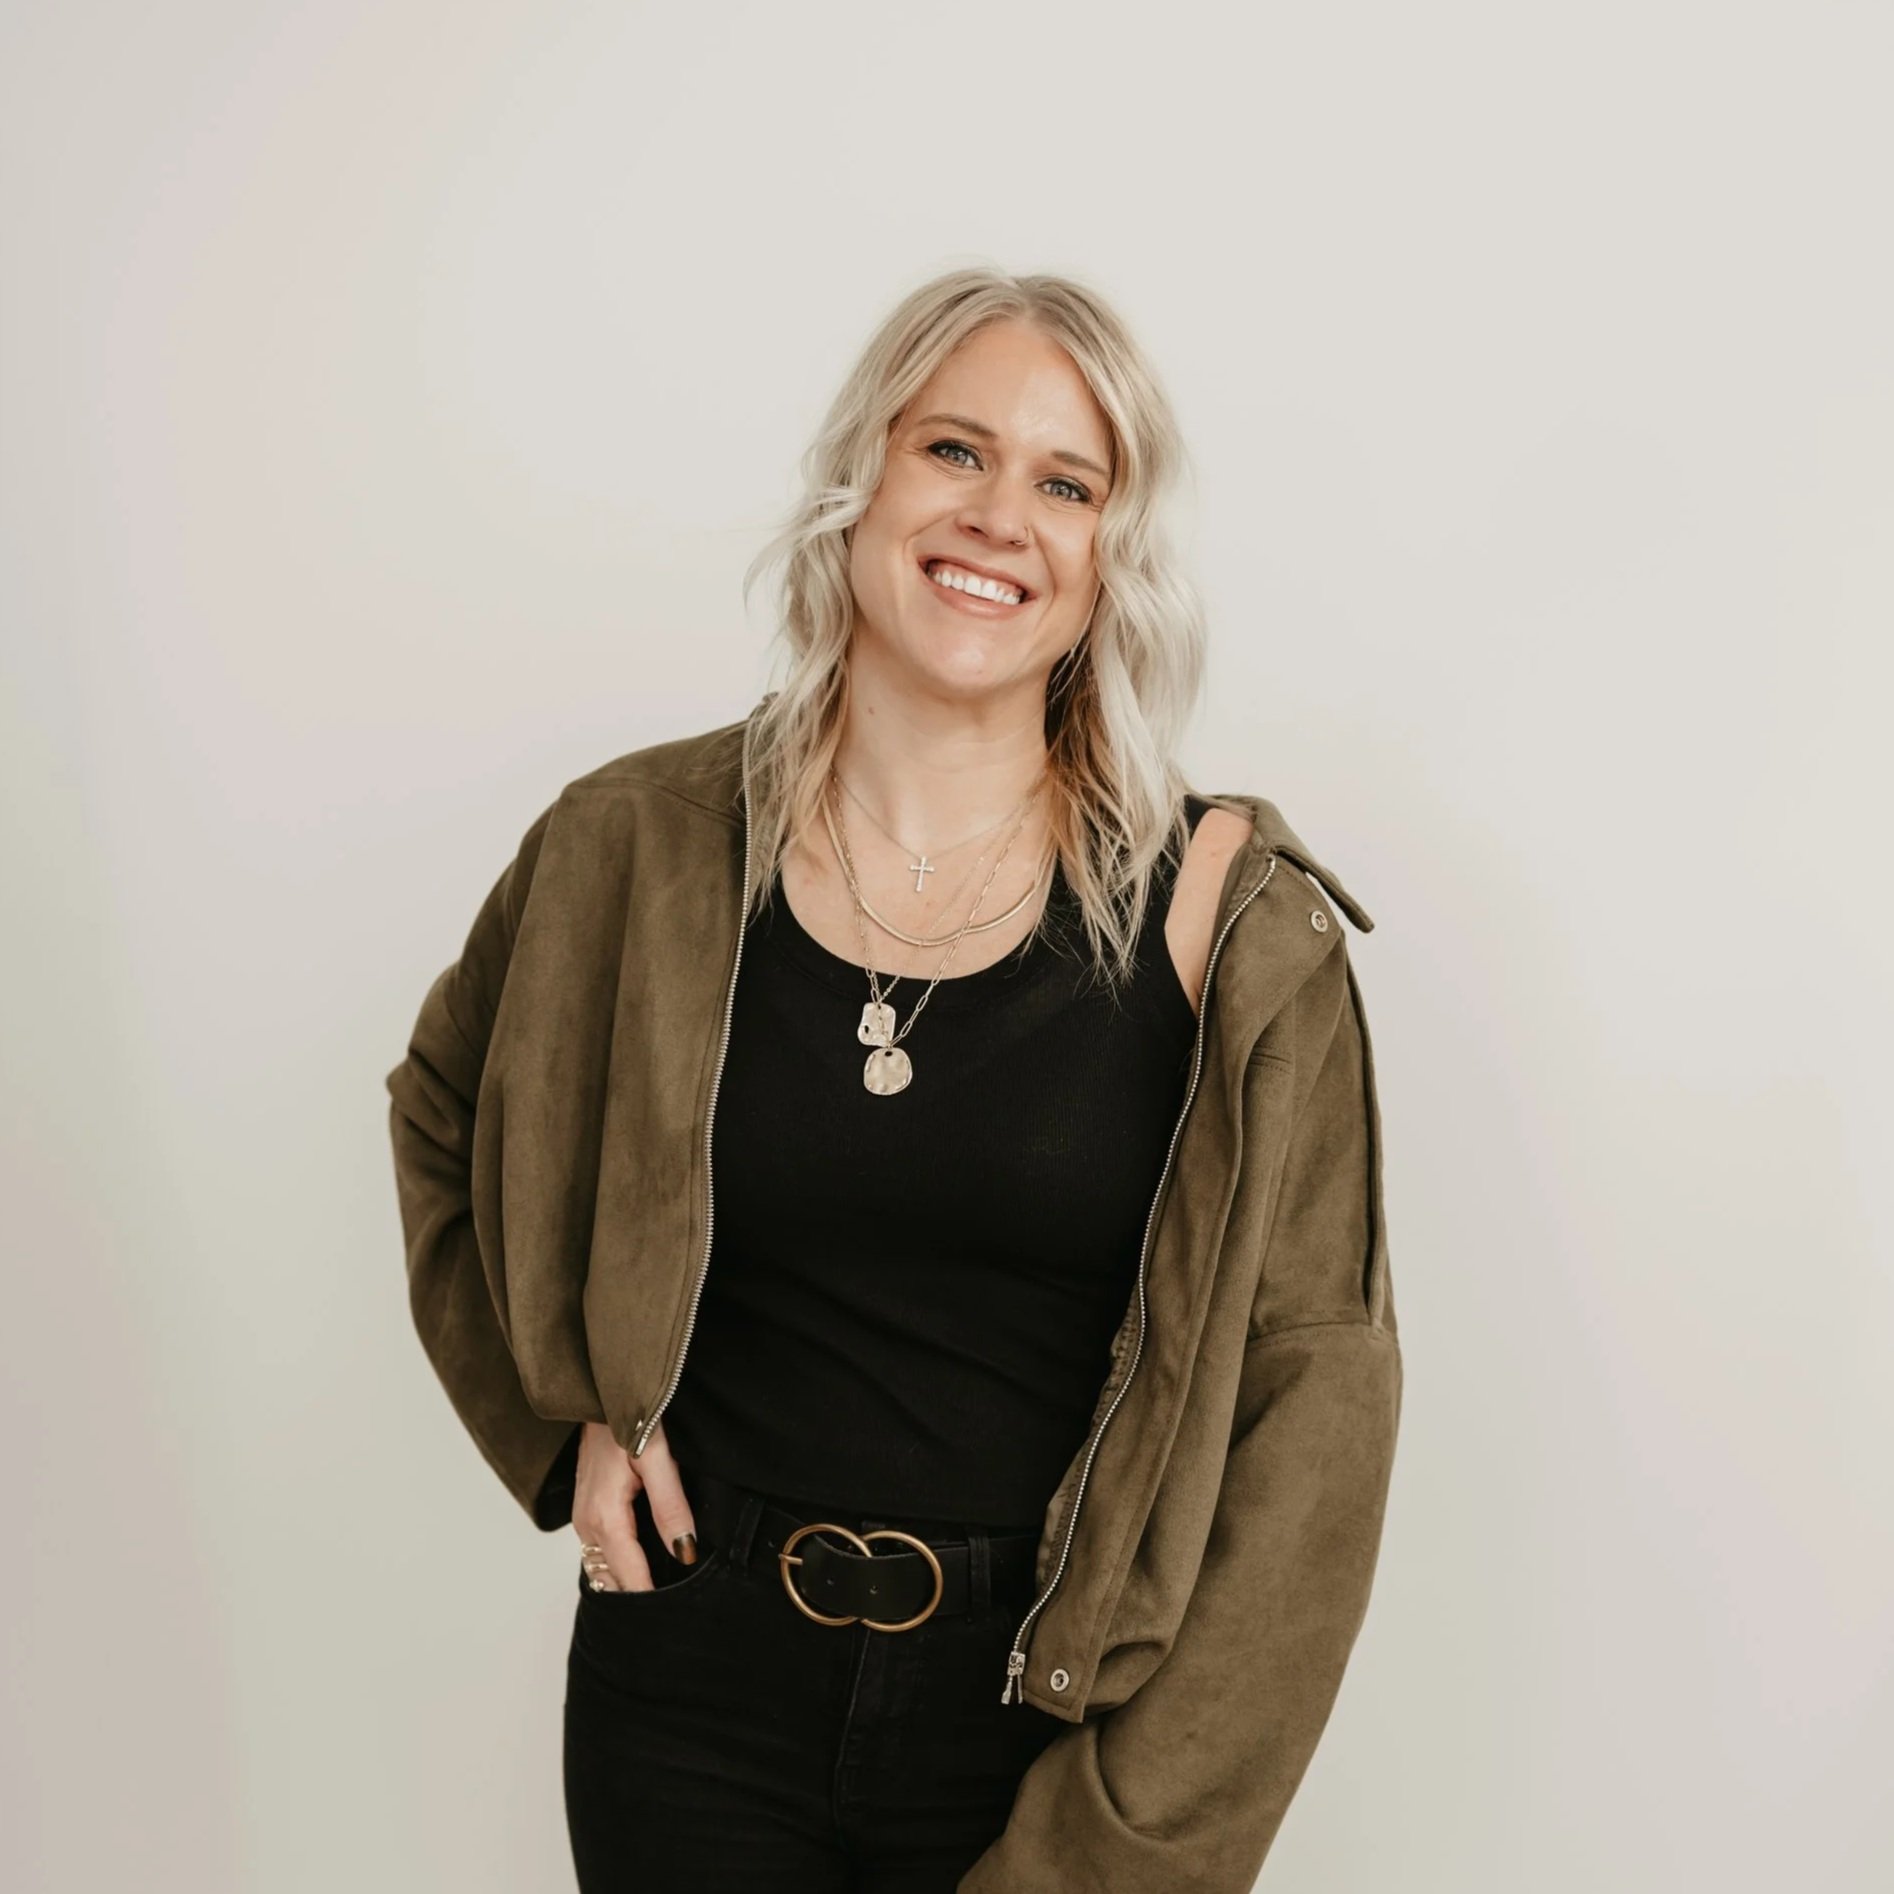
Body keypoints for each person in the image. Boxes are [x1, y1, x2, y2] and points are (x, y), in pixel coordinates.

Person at [385, 266, 1403, 1893]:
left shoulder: (1231, 927)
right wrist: (557, 1413)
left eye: (1066, 483)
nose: (1000, 514)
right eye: (954, 451)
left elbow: (1314, 1436)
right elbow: (443, 1106)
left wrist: (1122, 1845)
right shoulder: (630, 846)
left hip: (1050, 1719)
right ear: (861, 484)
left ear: (1107, 563)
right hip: (688, 1688)